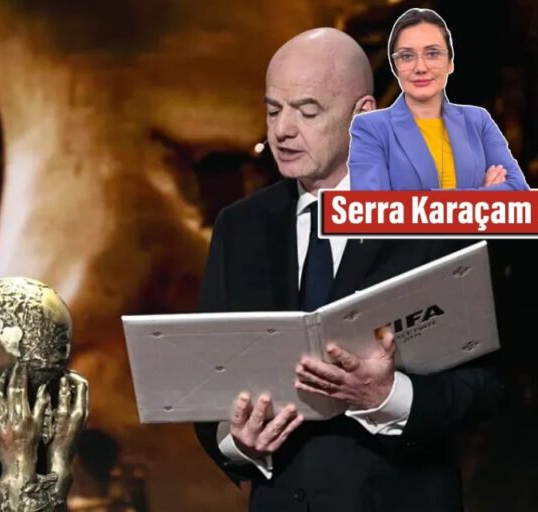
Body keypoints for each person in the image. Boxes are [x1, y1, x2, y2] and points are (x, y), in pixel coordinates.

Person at [194, 28, 503, 512]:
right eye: (273, 110)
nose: (282, 130)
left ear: (362, 115)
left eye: (307, 111)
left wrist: (388, 395)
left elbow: (488, 387)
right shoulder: (240, 227)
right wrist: (238, 443)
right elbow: (204, 380)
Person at [349, 8, 528, 191]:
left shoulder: (478, 121)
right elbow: (372, 204)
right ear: (395, 66)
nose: (420, 67)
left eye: (432, 54)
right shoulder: (370, 128)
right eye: (407, 56)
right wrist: (482, 195)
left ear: (450, 62)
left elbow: (517, 189)